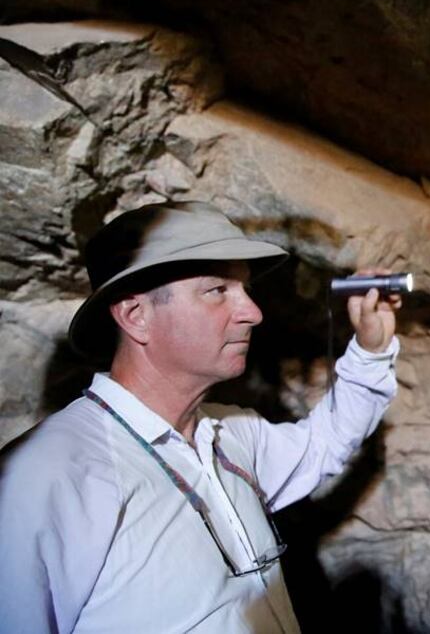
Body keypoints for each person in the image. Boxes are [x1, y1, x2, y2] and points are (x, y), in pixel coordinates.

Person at [0, 201, 400, 633]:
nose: (253, 312)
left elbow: (326, 442)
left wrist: (371, 348)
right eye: (217, 291)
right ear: (137, 316)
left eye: (245, 290)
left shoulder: (232, 435)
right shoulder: (47, 474)